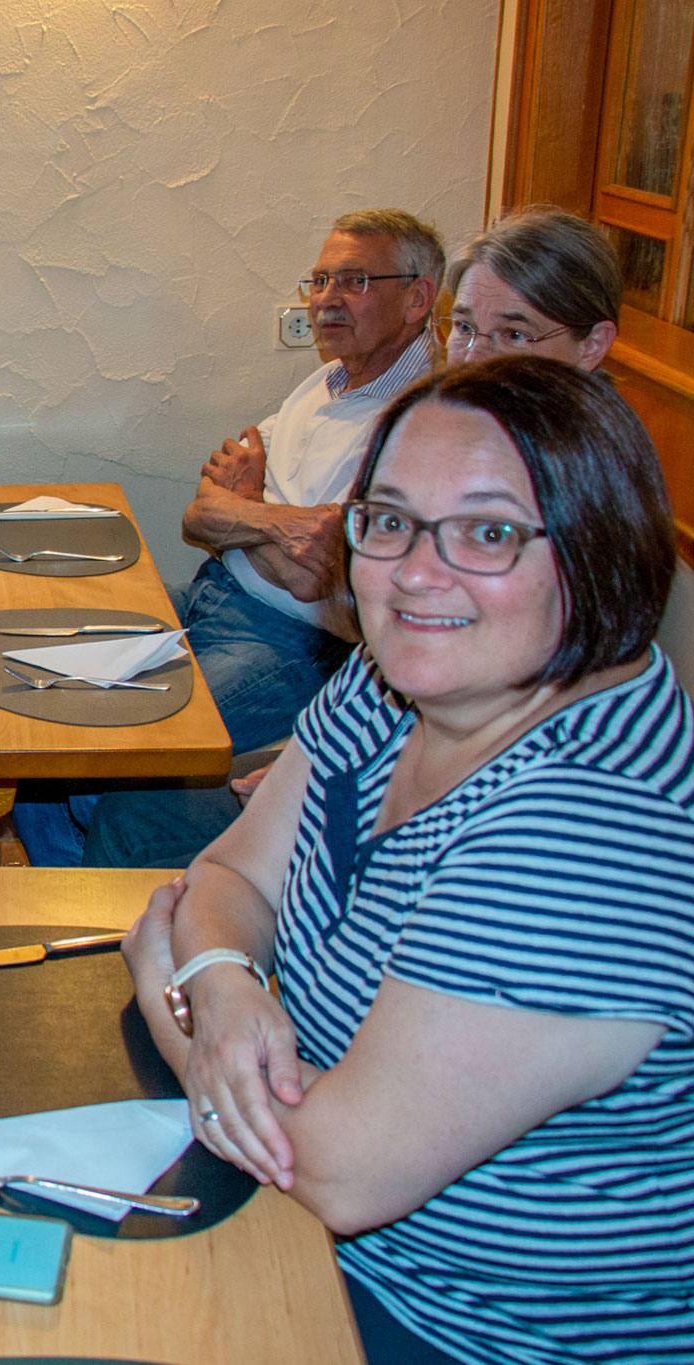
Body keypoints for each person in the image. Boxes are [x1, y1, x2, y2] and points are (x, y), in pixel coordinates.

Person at [122, 357, 694, 1364]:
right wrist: (218, 981)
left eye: (485, 532)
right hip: (307, 1245)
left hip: (456, 1332)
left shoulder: (583, 830)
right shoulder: (398, 690)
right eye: (385, 520)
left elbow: (333, 1171)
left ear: (599, 544)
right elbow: (225, 879)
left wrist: (176, 999)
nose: (413, 574)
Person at [82, 206, 622, 869]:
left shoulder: (578, 501)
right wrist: (309, 758)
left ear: (593, 345)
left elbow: (340, 591)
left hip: (387, 780)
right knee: (57, 693)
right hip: (339, 728)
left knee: (119, 796)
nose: (476, 359)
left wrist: (322, 780)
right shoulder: (442, 440)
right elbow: (358, 622)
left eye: (513, 332)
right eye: (467, 331)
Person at [16, 208, 445, 866]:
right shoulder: (322, 384)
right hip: (208, 594)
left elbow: (325, 574)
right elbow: (200, 516)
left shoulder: (421, 418)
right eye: (320, 280)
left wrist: (248, 514)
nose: (326, 298)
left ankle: (95, 900)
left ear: (418, 298)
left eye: (353, 281)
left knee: (103, 745)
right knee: (29, 680)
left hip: (290, 644)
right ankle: (66, 880)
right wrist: (279, 520)